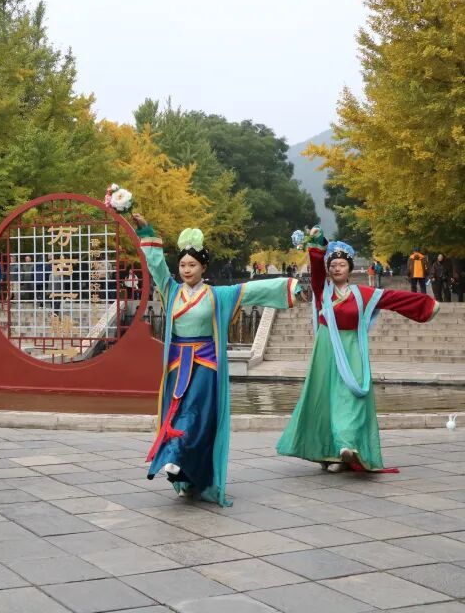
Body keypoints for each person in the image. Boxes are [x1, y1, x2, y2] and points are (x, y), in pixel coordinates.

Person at [132, 213, 300, 506]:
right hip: (176, 365)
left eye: (192, 265)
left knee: (197, 415)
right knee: (176, 413)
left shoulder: (217, 295)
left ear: (203, 267)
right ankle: (186, 475)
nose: (186, 269)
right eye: (182, 265)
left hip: (205, 365)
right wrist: (146, 230)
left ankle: (177, 460)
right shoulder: (171, 291)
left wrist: (288, 286)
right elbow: (156, 266)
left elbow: (253, 290)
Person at [277, 229, 439, 472]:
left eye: (342, 264)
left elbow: (392, 298)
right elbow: (317, 267)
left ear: (350, 268)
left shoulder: (362, 294)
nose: (337, 268)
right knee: (323, 399)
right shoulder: (324, 292)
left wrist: (425, 306)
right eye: (333, 265)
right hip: (327, 349)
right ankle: (331, 453)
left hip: (351, 348)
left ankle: (347, 444)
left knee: (350, 397)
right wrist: (319, 242)